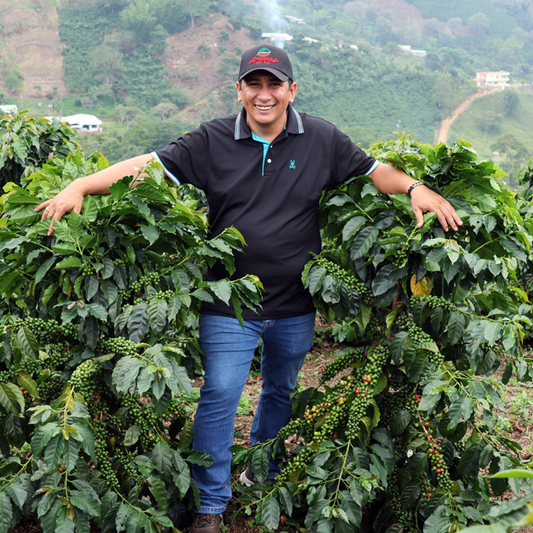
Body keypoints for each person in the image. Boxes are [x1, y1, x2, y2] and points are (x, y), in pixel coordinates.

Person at [35, 45, 462, 533]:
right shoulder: (211, 140)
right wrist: (82, 185)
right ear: (238, 89)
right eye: (254, 84)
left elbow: (372, 170)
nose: (264, 94)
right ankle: (211, 503)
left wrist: (414, 188)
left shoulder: (320, 137)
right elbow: (146, 166)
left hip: (295, 303)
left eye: (274, 84)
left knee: (279, 391)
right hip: (228, 302)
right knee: (219, 394)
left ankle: (267, 478)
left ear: (291, 90)